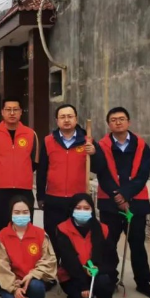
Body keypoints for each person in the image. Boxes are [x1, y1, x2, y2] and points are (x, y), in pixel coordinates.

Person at [95, 107, 150, 298]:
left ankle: (143, 282)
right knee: (108, 243)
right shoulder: (101, 146)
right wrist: (117, 196)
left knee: (137, 243)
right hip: (109, 202)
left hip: (136, 202)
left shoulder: (142, 146)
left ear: (128, 122)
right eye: (113, 120)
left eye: (121, 119)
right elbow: (102, 173)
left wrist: (126, 194)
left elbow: (142, 175)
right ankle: (110, 279)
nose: (118, 122)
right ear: (108, 124)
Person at [36, 104, 97, 254]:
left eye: (70, 116)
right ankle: (54, 267)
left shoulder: (87, 141)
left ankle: (74, 267)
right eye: (62, 117)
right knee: (53, 238)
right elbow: (41, 171)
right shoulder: (48, 141)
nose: (66, 120)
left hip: (79, 200)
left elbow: (98, 168)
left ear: (76, 119)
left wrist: (95, 154)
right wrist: (40, 196)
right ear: (57, 121)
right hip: (54, 199)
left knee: (77, 240)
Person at [56, 193, 119, 298]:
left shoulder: (103, 229)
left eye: (86, 208)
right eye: (78, 208)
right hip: (73, 276)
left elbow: (112, 258)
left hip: (96, 273)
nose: (82, 211)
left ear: (92, 209)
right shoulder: (63, 229)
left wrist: (98, 270)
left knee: (104, 282)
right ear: (72, 209)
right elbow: (69, 261)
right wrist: (83, 286)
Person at [0, 196, 57, 298]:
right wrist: (14, 288)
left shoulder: (40, 234)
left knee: (37, 287)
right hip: (12, 280)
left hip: (33, 279)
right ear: (11, 214)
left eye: (25, 212)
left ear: (30, 213)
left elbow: (49, 260)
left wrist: (33, 274)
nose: (21, 215)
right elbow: (1, 266)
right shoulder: (2, 236)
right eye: (17, 212)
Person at [0, 99, 39, 233]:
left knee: (25, 228)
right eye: (8, 109)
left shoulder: (31, 134)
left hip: (24, 189)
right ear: (2, 112)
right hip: (0, 190)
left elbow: (34, 163)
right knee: (1, 229)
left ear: (21, 112)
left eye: (15, 109)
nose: (12, 113)